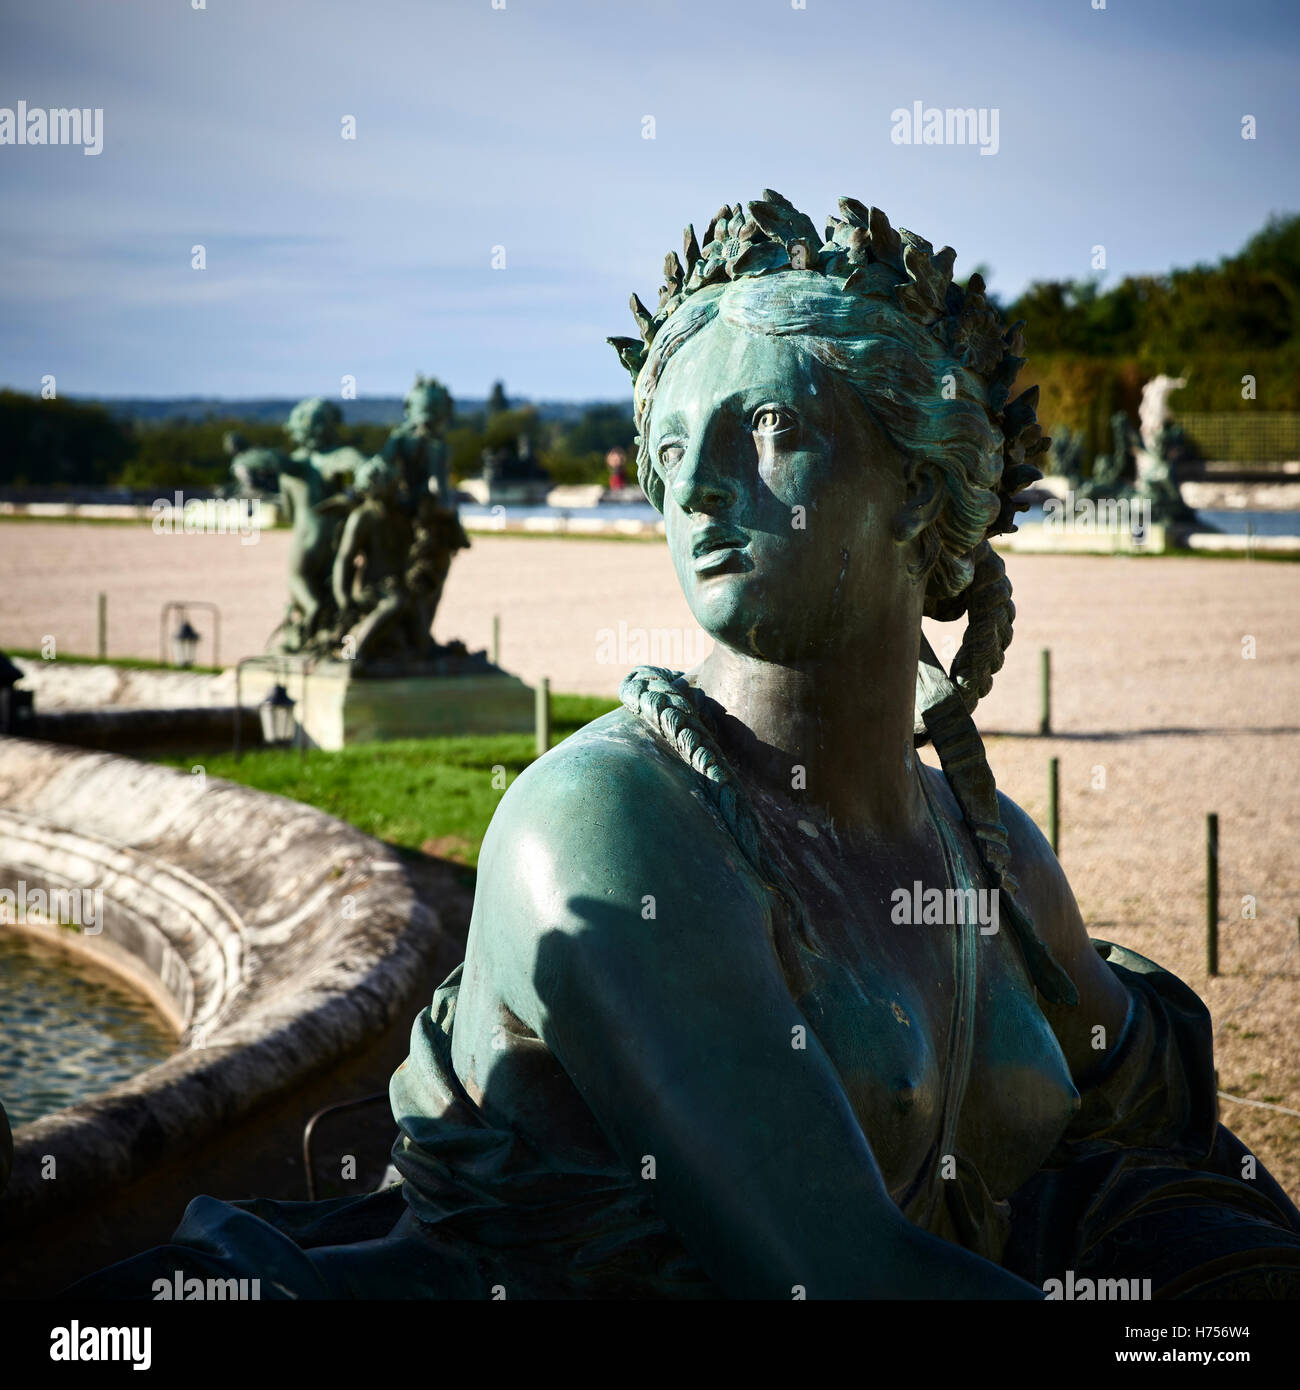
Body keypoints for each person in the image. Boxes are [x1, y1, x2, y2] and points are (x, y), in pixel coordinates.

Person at [71, 192, 1300, 1299]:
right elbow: (837, 1282)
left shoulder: (994, 857)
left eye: (765, 424)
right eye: (669, 449)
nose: (694, 488)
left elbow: (1149, 1121)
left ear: (923, 491)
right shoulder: (608, 826)